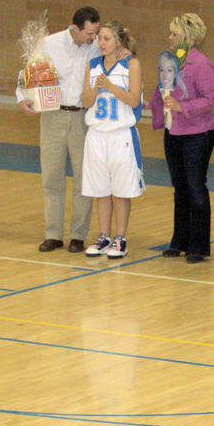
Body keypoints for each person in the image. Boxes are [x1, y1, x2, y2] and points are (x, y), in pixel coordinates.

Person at [16, 6, 101, 253]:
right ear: (75, 28)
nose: (93, 38)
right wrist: (22, 97)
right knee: (51, 176)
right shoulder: (49, 43)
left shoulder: (96, 48)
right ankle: (52, 233)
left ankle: (78, 235)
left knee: (84, 179)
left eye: (96, 33)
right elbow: (26, 73)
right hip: (53, 115)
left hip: (83, 118)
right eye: (89, 33)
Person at [150, 13, 214, 263]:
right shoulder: (169, 61)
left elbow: (210, 100)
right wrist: (149, 106)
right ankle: (179, 240)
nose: (169, 37)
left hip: (197, 133)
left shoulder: (202, 65)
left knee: (195, 187)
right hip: (173, 131)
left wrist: (183, 108)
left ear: (188, 38)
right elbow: (162, 93)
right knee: (179, 189)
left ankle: (199, 246)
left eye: (174, 34)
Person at [81, 20, 144, 258]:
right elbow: (86, 102)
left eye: (106, 38)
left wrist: (111, 86)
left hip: (121, 135)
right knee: (101, 189)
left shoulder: (131, 64)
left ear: (118, 41)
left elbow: (134, 99)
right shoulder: (93, 65)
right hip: (96, 135)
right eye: (99, 38)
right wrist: (97, 88)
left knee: (121, 190)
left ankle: (120, 237)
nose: (101, 42)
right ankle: (103, 236)